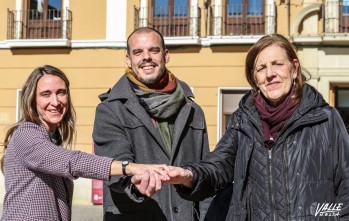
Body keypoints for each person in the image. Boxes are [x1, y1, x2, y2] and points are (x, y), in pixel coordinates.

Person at [135, 33, 349, 220]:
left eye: (277, 64)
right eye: (261, 68)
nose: (270, 74)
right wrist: (187, 175)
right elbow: (219, 166)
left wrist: (319, 215)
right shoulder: (242, 120)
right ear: (255, 79)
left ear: (294, 68)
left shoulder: (324, 118)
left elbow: (346, 187)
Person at [0, 65, 168, 221]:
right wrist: (131, 167)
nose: (56, 101)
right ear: (32, 100)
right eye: (46, 94)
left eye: (61, 92)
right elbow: (72, 161)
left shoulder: (49, 139)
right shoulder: (26, 134)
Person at [92, 27, 212, 221]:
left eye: (153, 50)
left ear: (166, 55)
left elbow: (205, 175)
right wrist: (136, 185)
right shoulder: (111, 110)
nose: (146, 57)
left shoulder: (193, 110)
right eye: (138, 52)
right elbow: (114, 169)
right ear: (128, 60)